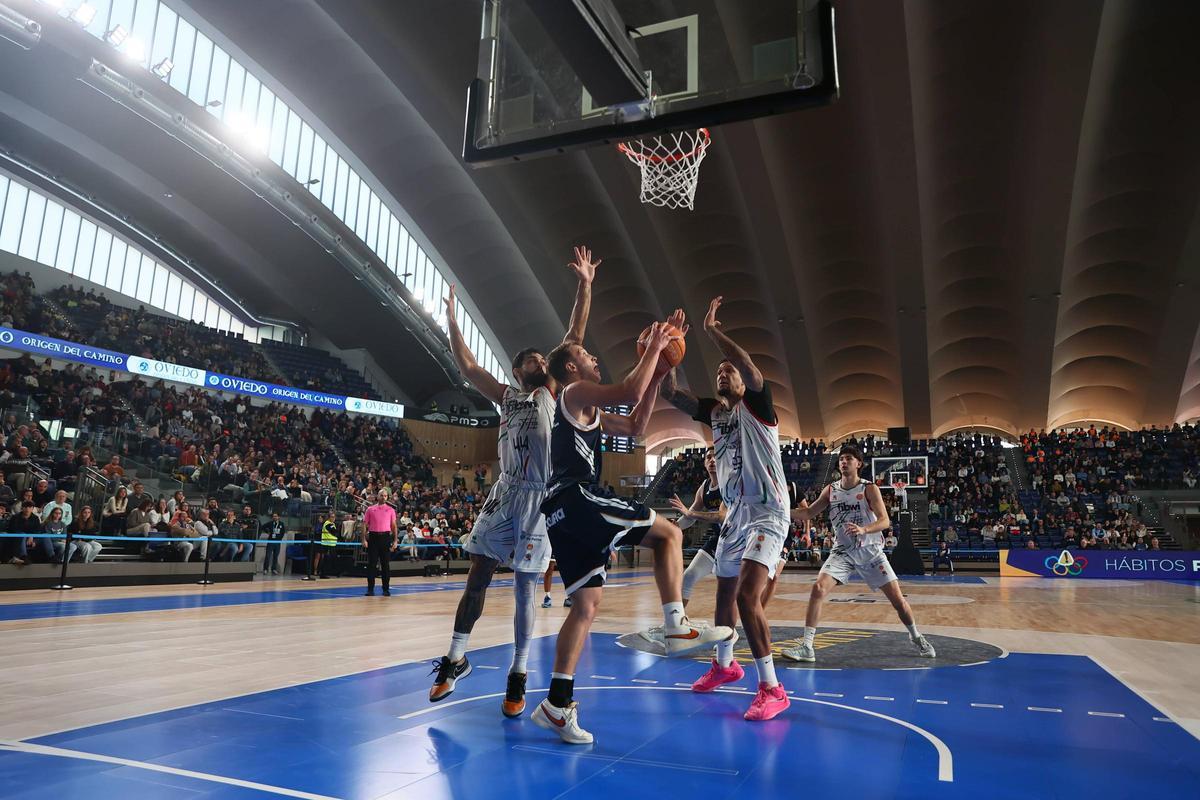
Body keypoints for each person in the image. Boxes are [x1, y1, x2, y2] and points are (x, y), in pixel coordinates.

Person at [530, 315, 732, 745]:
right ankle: (676, 623)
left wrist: (659, 370)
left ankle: (556, 705)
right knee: (671, 535)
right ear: (570, 368)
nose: (593, 357)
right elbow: (628, 392)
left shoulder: (588, 410)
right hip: (577, 497)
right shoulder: (575, 391)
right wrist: (655, 347)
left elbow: (638, 425)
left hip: (560, 514)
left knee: (585, 606)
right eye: (585, 354)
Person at [429, 246, 600, 717]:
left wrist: (585, 285)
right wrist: (451, 320)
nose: (541, 361)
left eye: (544, 359)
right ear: (516, 369)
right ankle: (456, 656)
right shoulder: (507, 396)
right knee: (478, 575)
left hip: (538, 501)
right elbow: (466, 366)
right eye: (532, 359)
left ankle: (519, 671)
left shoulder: (553, 389)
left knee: (526, 588)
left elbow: (574, 335)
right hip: (504, 495)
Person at [655, 298, 792, 721]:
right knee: (725, 595)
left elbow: (747, 363)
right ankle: (724, 664)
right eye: (719, 370)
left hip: (768, 511)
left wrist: (711, 331)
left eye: (727, 370)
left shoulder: (758, 404)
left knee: (749, 599)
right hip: (736, 515)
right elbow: (669, 393)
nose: (723, 371)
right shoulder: (715, 413)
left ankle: (772, 688)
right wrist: (666, 353)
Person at [784, 445, 937, 664]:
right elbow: (808, 512)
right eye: (841, 459)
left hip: (871, 551)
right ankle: (807, 647)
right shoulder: (831, 490)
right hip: (843, 551)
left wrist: (864, 529)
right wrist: (781, 511)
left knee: (898, 601)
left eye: (848, 458)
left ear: (859, 463)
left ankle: (916, 636)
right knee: (818, 588)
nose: (843, 462)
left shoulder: (869, 488)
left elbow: (885, 520)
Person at [362, 489, 398, 596]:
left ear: (387, 497)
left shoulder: (391, 510)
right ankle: (370, 589)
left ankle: (386, 589)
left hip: (385, 538)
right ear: (377, 496)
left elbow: (394, 526)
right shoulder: (370, 509)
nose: (383, 497)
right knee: (371, 564)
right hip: (373, 538)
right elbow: (364, 525)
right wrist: (363, 539)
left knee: (385, 565)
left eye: (385, 496)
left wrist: (395, 540)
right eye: (381, 495)